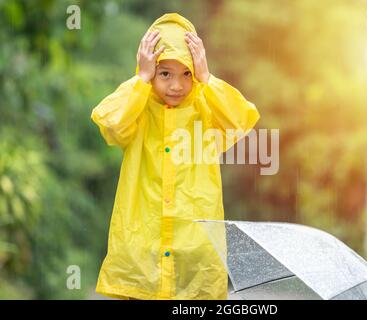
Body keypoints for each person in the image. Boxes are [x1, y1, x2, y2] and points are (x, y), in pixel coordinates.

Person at [90, 13, 260, 300]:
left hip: (194, 254)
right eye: (164, 73)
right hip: (143, 253)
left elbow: (241, 119)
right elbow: (109, 122)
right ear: (149, 70)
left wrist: (206, 78)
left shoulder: (206, 110)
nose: (177, 86)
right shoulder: (138, 109)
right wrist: (141, 80)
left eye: (187, 74)